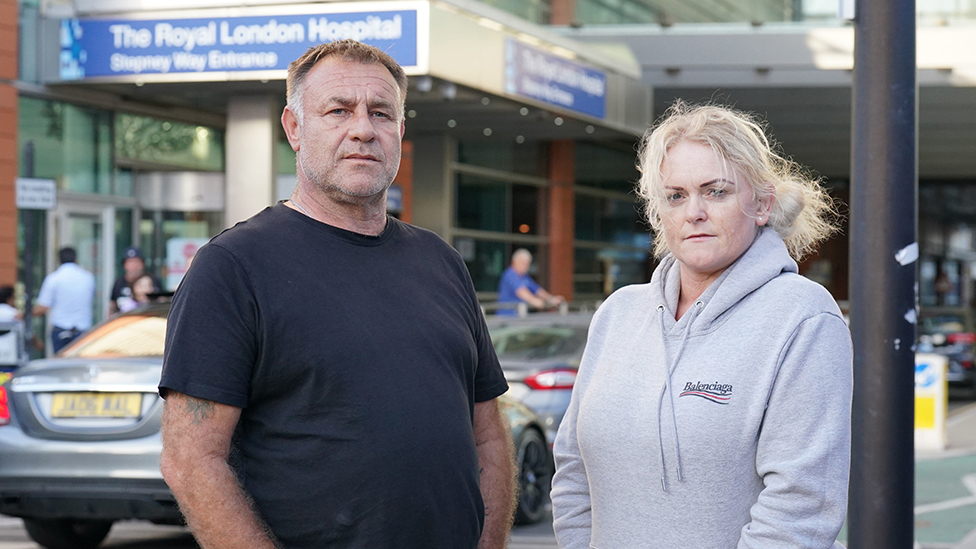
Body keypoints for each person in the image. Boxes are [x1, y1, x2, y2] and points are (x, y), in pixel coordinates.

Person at [159, 39, 515, 549]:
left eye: (381, 113)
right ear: (294, 128)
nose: (363, 129)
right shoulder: (234, 267)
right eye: (338, 110)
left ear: (400, 130)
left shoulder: (442, 263)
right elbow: (191, 460)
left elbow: (487, 434)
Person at [551, 102, 853, 548]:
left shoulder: (803, 317)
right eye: (676, 195)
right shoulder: (618, 314)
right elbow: (574, 471)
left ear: (762, 204)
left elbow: (800, 510)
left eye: (716, 191)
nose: (693, 212)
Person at [32, 247, 96, 354]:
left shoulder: (54, 278)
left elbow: (42, 308)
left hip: (60, 328)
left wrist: (25, 314)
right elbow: (92, 295)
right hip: (82, 328)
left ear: (59, 260)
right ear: (76, 259)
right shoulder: (88, 277)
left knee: (60, 365)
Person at [497, 248, 565, 316]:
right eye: (522, 263)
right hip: (507, 317)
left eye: (527, 264)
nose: (525, 267)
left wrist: (551, 299)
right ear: (514, 262)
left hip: (519, 315)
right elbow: (521, 291)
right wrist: (534, 300)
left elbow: (537, 290)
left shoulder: (524, 276)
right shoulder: (510, 274)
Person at [109, 247, 161, 314]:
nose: (134, 265)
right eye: (130, 262)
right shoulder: (119, 283)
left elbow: (161, 302)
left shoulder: (153, 280)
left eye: (137, 262)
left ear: (143, 264)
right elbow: (112, 305)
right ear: (124, 265)